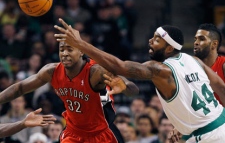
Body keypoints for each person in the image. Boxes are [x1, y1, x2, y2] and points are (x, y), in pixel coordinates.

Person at [54, 18, 225, 143]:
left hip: (209, 136)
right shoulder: (194, 61)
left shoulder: (160, 70)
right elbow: (221, 88)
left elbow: (119, 66)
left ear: (169, 48)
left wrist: (81, 44)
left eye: (157, 40)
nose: (150, 41)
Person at [0, 40, 139, 143]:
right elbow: (19, 88)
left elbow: (131, 88)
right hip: (73, 133)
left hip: (101, 133)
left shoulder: (94, 71)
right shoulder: (52, 71)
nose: (65, 53)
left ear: (81, 52)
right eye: (62, 50)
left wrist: (125, 86)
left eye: (70, 49)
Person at [194, 23, 225, 106]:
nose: (196, 42)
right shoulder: (190, 66)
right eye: (195, 39)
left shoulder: (223, 65)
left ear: (214, 44)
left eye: (201, 39)